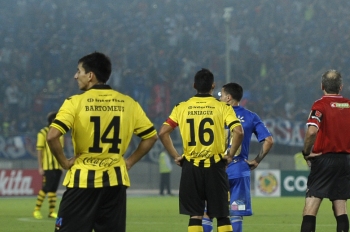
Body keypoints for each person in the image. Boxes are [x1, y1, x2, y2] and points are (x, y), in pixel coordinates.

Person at [46, 52, 158, 232]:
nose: (75, 76)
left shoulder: (75, 102)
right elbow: (151, 136)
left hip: (82, 182)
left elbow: (52, 136)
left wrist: (65, 163)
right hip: (115, 182)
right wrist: (129, 161)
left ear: (90, 75)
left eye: (79, 71)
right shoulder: (129, 103)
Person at [158, 68, 243, 232]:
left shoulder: (181, 107)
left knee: (195, 215)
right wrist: (230, 155)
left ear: (194, 85)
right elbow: (238, 131)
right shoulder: (223, 107)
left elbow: (163, 132)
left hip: (191, 166)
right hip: (216, 165)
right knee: (223, 215)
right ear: (213, 86)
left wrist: (176, 156)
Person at [300, 70, 350, 232]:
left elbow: (312, 131)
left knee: (311, 207)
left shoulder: (320, 105)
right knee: (340, 208)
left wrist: (306, 152)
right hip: (344, 162)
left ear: (322, 86)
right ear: (341, 87)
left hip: (323, 160)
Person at [203, 82, 274, 232]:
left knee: (207, 213)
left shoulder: (213, 113)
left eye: (221, 95)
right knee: (236, 213)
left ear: (228, 98)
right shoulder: (251, 116)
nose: (219, 97)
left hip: (215, 169)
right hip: (239, 170)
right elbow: (269, 140)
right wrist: (256, 160)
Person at [33, 111, 63, 220]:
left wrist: (62, 165)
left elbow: (60, 151)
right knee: (46, 188)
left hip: (57, 167)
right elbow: (40, 150)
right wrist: (40, 166)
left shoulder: (60, 134)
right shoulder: (43, 133)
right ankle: (36, 210)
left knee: (53, 189)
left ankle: (51, 212)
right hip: (48, 166)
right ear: (52, 121)